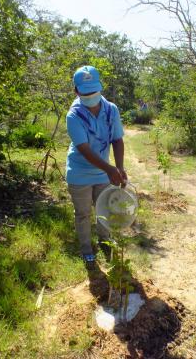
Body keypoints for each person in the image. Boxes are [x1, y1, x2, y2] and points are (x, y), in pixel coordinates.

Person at [65, 65, 127, 265]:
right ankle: (86, 250)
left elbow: (117, 140)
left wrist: (119, 167)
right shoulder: (73, 116)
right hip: (80, 173)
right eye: (86, 92)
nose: (91, 95)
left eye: (94, 90)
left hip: (103, 173)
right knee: (83, 213)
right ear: (76, 91)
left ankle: (105, 241)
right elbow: (84, 149)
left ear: (101, 87)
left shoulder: (111, 110)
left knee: (104, 209)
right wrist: (110, 169)